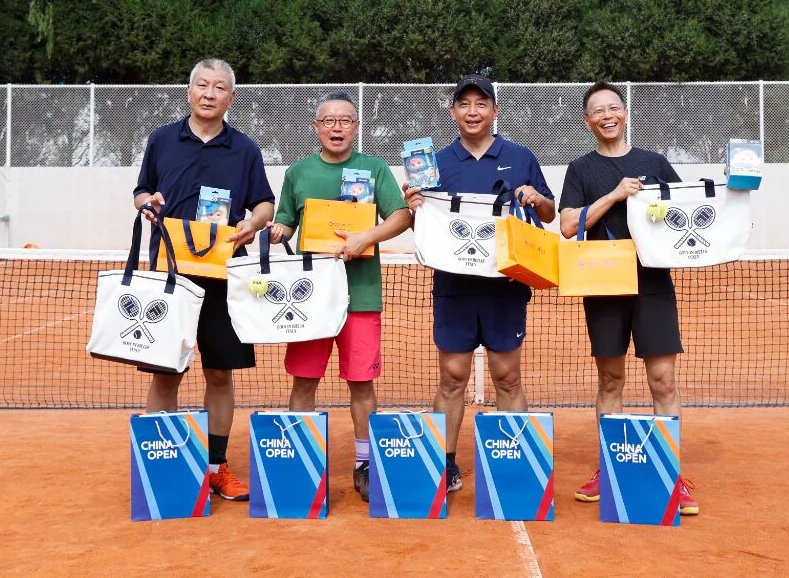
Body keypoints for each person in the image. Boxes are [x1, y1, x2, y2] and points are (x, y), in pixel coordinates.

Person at [404, 75, 555, 493]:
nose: (473, 112)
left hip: (505, 286)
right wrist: (413, 205)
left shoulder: (521, 157)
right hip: (453, 287)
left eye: (481, 103)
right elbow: (423, 224)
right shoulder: (433, 163)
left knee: (508, 377)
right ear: (453, 111)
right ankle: (444, 463)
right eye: (464, 104)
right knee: (452, 377)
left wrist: (536, 198)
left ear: (494, 110)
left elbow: (548, 213)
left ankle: (515, 463)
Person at [133, 58, 274, 503]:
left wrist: (253, 223)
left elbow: (265, 203)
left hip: (225, 275)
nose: (209, 93)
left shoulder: (246, 149)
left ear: (231, 97)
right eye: (202, 85)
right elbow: (141, 190)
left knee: (219, 373)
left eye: (219, 87)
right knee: (166, 372)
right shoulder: (161, 140)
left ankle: (216, 468)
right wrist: (147, 202)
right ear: (189, 90)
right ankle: (162, 467)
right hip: (170, 273)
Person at [558, 81, 698, 516]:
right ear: (588, 121)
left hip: (653, 283)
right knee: (610, 381)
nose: (607, 115)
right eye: (598, 110)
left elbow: (683, 213)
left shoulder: (654, 162)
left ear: (624, 113)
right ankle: (610, 467)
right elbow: (568, 226)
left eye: (613, 107)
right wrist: (615, 194)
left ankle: (669, 473)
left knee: (663, 381)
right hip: (603, 283)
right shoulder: (580, 169)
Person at [268, 91, 413, 503]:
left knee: (362, 384)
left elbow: (402, 215)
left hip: (360, 296)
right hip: (310, 298)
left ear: (356, 127)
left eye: (345, 120)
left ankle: (365, 464)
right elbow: (285, 220)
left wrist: (366, 237)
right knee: (304, 381)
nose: (337, 127)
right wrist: (277, 230)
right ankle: (299, 460)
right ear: (316, 127)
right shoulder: (297, 172)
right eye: (328, 121)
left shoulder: (375, 168)